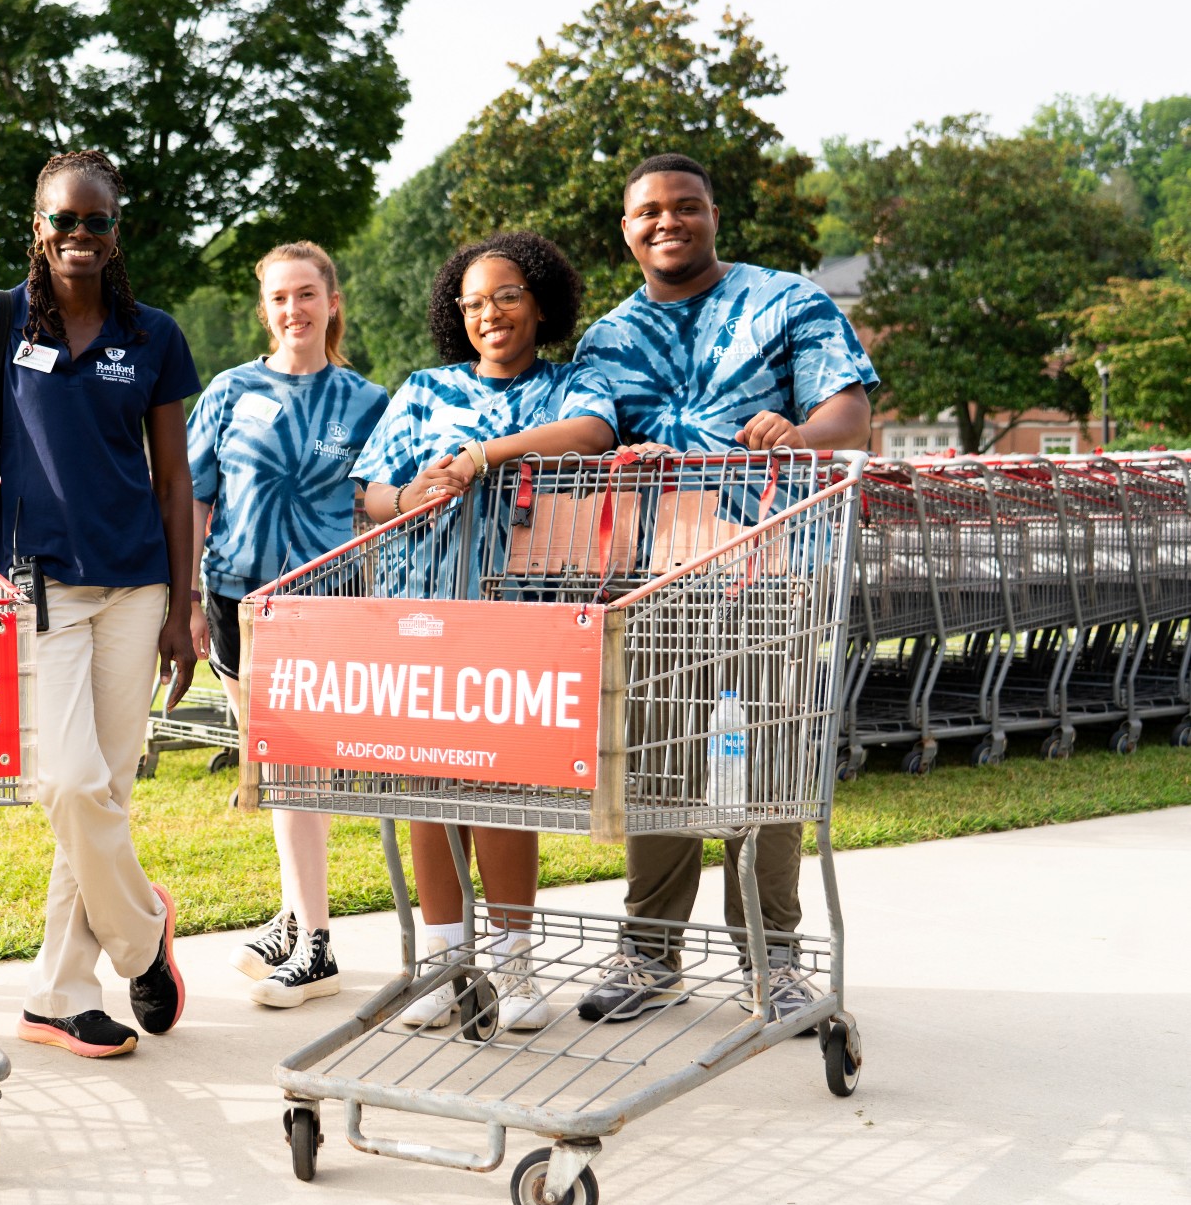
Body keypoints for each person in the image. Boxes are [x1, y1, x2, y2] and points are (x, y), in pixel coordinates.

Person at [569, 151, 876, 1026]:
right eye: (650, 211)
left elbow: (849, 414)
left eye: (687, 206)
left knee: (762, 766)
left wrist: (802, 430)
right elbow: (591, 436)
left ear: (713, 215)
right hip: (658, 579)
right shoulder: (607, 339)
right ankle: (649, 953)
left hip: (772, 569)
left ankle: (771, 959)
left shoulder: (787, 302)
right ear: (626, 230)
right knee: (658, 763)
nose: (669, 221)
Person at [0, 149, 198, 1059]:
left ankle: (59, 993)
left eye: (97, 221)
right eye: (64, 220)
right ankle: (141, 936)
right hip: (37, 579)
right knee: (68, 783)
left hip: (137, 583)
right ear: (36, 226)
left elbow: (174, 479)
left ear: (120, 232)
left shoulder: (153, 335)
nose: (80, 235)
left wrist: (180, 606)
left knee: (104, 792)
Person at [350, 232, 616, 1030]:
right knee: (427, 786)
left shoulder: (572, 383)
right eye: (471, 304)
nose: (489, 314)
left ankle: (514, 967)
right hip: (422, 609)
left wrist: (481, 457)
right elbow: (369, 486)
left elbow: (595, 433)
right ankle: (442, 964)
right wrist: (408, 500)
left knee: (503, 787)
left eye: (504, 296)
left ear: (539, 300)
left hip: (520, 616)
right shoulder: (424, 389)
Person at [185, 241, 388, 1008]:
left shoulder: (368, 402)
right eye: (279, 298)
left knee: (298, 768)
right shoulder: (231, 390)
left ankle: (318, 945)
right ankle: (293, 913)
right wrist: (189, 601)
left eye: (307, 294)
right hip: (236, 601)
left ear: (332, 301)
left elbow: (381, 505)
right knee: (273, 772)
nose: (294, 310)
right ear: (264, 309)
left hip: (322, 606)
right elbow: (196, 498)